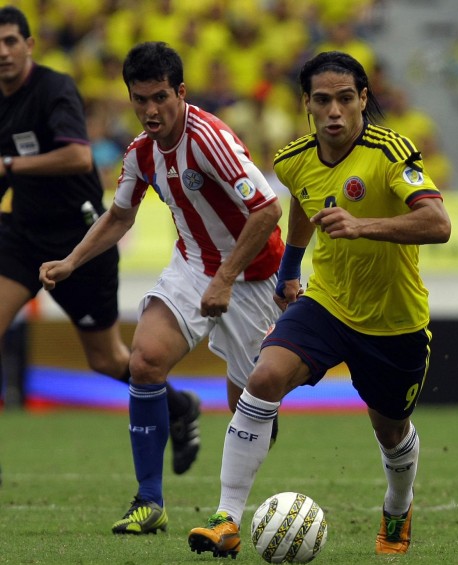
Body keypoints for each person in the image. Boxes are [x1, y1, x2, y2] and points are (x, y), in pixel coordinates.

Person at [187, 50, 451, 559]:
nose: (335, 111)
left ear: (363, 100)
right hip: (326, 302)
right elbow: (305, 202)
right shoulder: (292, 159)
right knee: (263, 378)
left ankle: (398, 505)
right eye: (324, 100)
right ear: (306, 103)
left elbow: (438, 223)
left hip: (394, 320)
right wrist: (290, 272)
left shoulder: (390, 151)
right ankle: (225, 519)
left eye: (346, 100)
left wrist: (362, 225)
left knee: (391, 431)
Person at [39, 41, 284, 535]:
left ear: (182, 93)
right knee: (144, 361)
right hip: (193, 265)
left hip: (252, 276)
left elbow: (268, 210)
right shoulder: (140, 153)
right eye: (139, 99)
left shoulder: (211, 138)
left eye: (160, 98)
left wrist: (226, 278)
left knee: (253, 410)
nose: (150, 110)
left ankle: (229, 507)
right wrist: (71, 261)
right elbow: (119, 216)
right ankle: (149, 501)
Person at [0, 6, 201, 473]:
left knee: (106, 359)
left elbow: (75, 155)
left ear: (29, 45)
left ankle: (179, 407)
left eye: (11, 40)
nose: (3, 51)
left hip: (81, 236)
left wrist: (9, 166)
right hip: (21, 236)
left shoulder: (54, 89)